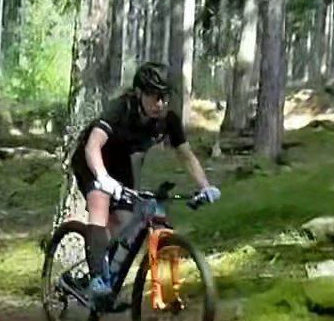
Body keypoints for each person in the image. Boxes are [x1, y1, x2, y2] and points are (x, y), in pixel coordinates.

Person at [65, 62, 220, 305]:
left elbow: (186, 156)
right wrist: (102, 178)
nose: (160, 103)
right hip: (91, 159)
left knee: (126, 223)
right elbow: (93, 145)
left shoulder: (167, 120)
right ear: (139, 93)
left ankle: (107, 276)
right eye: (154, 96)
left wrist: (204, 186)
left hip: (120, 164)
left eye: (165, 97)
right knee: (100, 203)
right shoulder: (121, 109)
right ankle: (96, 280)